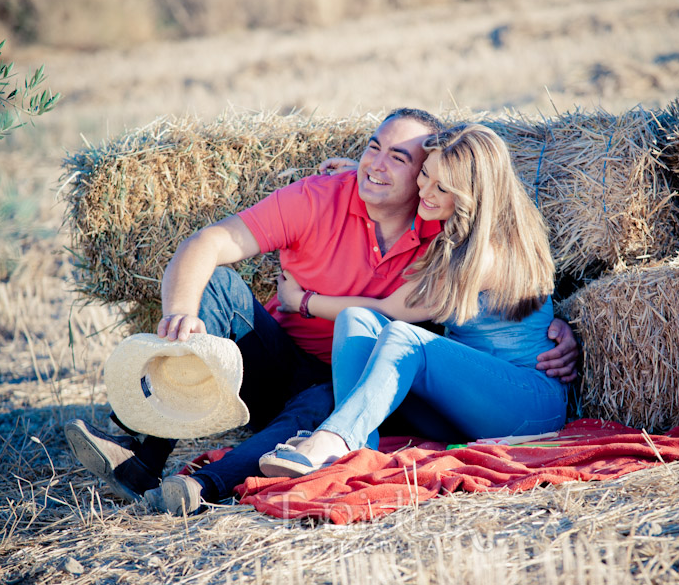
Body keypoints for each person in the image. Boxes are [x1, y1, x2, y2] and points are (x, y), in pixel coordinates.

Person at [64, 109, 578, 515]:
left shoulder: (445, 237)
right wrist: (180, 313)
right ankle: (144, 454)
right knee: (223, 287)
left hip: (369, 384)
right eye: (373, 149)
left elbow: (481, 280)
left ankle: (214, 482)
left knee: (371, 357)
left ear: (436, 179)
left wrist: (568, 330)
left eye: (403, 161)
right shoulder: (323, 197)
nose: (381, 165)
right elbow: (209, 242)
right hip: (277, 362)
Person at [259, 123, 567, 477]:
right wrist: (370, 180)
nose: (425, 191)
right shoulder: (462, 232)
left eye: (442, 187)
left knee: (404, 337)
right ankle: (355, 445)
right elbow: (372, 310)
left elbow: (390, 309)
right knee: (355, 319)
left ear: (472, 197)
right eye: (424, 174)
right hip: (466, 406)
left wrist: (301, 301)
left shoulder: (484, 257)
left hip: (526, 406)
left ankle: (334, 437)